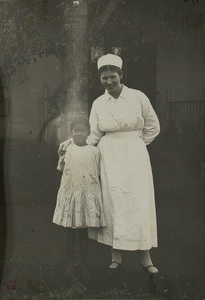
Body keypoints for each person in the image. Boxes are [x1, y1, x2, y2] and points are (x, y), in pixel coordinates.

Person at [59, 53, 160, 274]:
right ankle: (115, 256)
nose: (109, 81)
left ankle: (146, 257)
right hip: (109, 157)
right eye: (104, 78)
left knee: (138, 201)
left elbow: (153, 126)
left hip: (135, 156)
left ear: (121, 75)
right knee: (112, 202)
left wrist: (136, 144)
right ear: (100, 79)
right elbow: (93, 135)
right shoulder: (98, 103)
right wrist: (71, 143)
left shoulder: (138, 97)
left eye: (112, 76)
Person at [53, 116, 106, 278]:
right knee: (70, 232)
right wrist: (61, 193)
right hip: (70, 195)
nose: (79, 134)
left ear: (88, 132)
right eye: (76, 130)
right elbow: (60, 170)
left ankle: (83, 264)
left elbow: (98, 174)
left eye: (82, 131)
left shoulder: (95, 151)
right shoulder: (66, 150)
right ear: (71, 132)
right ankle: (70, 264)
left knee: (83, 233)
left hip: (86, 196)